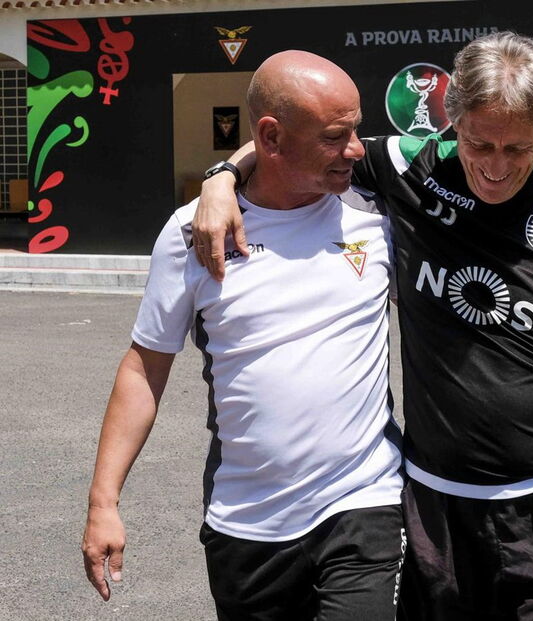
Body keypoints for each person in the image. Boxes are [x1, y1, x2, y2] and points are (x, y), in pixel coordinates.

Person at [196, 32, 533, 620]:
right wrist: (221, 176)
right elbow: (296, 141)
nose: (495, 166)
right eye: (478, 143)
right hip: (438, 511)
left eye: (519, 149)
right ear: (451, 122)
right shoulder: (410, 167)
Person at [81, 51, 409, 620]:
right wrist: (103, 501)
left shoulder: (375, 214)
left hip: (366, 501)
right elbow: (144, 368)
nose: (356, 149)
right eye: (336, 136)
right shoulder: (192, 234)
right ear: (272, 138)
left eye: (355, 130)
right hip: (246, 522)